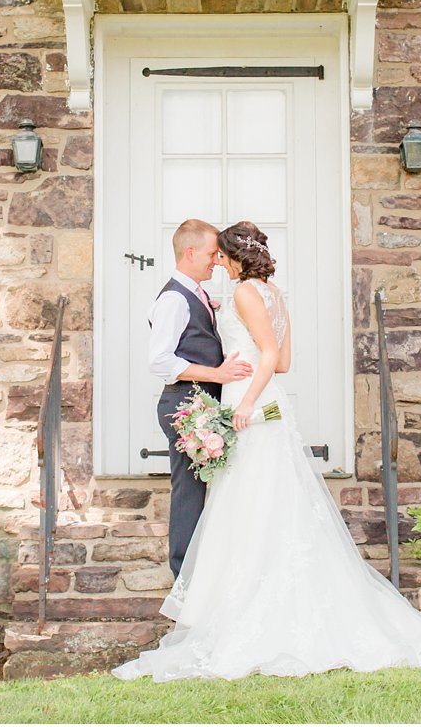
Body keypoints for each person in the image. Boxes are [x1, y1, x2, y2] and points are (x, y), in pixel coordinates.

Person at [115, 221, 421, 681]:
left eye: (221, 255)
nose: (215, 261)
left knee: (245, 503)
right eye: (211, 254)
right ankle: (217, 599)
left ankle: (228, 609)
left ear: (233, 257)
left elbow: (264, 356)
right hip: (252, 400)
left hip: (249, 403)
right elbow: (281, 360)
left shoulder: (242, 294)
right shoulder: (264, 294)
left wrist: (241, 400)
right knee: (257, 502)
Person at [147, 218, 252, 577]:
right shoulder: (174, 299)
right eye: (211, 253)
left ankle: (207, 575)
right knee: (190, 493)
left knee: (211, 491)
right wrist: (217, 374)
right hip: (184, 404)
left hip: (202, 403)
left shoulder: (196, 295)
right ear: (190, 252)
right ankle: (183, 582)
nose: (216, 260)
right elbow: (161, 361)